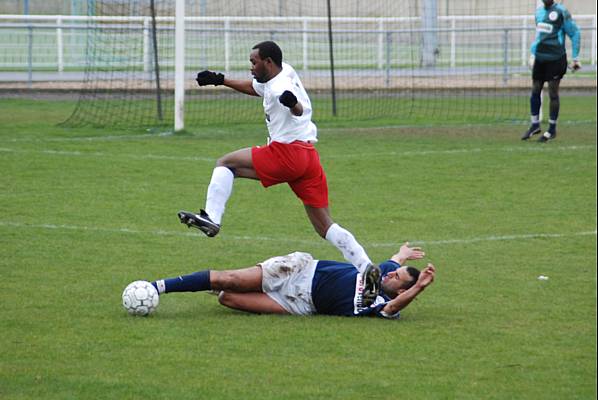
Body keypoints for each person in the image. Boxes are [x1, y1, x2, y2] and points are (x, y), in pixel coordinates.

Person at [178, 41, 381, 302]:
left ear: (268, 62)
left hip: (286, 154)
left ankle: (212, 218)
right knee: (324, 225)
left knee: (226, 163)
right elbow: (256, 87)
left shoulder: (280, 87)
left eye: (254, 62)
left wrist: (292, 103)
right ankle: (367, 268)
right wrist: (221, 79)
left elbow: (297, 109)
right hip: (308, 158)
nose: (251, 66)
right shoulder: (283, 72)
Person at [148, 242, 435, 319]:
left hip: (298, 304)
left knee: (228, 297)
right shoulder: (380, 273)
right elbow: (394, 260)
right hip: (298, 271)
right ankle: (158, 287)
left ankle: (218, 287)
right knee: (231, 278)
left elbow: (394, 307)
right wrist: (403, 255)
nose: (389, 274)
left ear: (402, 290)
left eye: (395, 278)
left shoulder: (382, 305)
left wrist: (420, 286)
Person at [521, 0, 581, 142]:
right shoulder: (539, 12)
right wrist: (533, 53)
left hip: (556, 58)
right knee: (535, 89)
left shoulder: (561, 12)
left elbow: (575, 33)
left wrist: (575, 58)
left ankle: (552, 129)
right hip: (540, 58)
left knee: (553, 92)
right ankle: (535, 124)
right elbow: (540, 36)